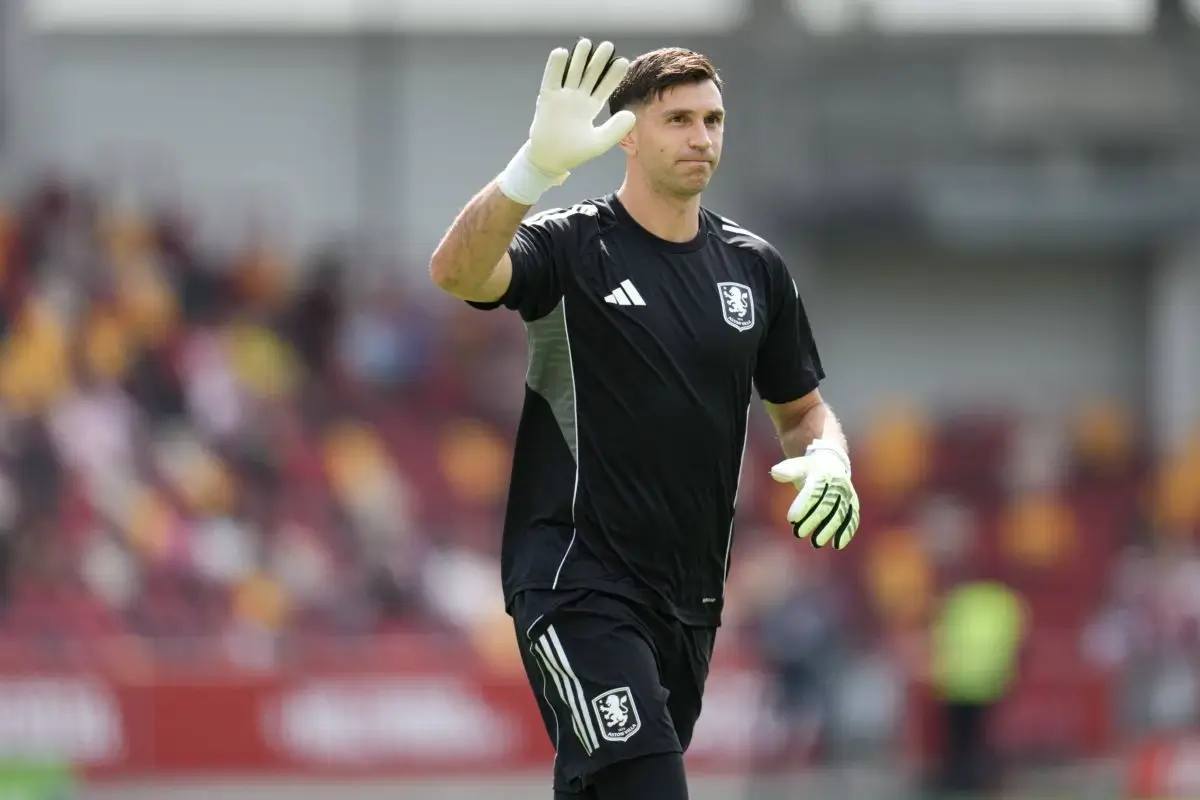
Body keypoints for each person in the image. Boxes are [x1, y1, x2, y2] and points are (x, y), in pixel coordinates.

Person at [429, 39, 861, 800]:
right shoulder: (571, 246)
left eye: (714, 119)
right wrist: (533, 168)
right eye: (678, 120)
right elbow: (457, 271)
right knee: (648, 787)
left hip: (688, 599)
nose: (702, 137)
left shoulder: (754, 268)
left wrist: (830, 457)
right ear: (627, 133)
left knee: (605, 789)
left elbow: (803, 411)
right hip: (575, 580)